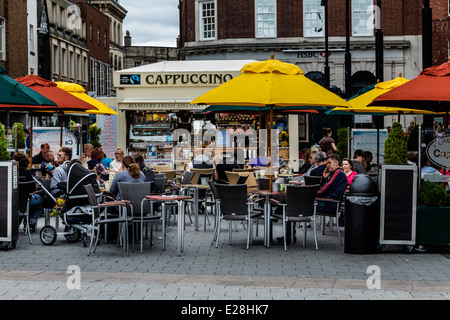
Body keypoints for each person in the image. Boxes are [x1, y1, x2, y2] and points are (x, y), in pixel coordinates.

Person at [14, 152, 42, 232]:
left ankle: (28, 223)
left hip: (13, 201)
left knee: (30, 201)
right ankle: (31, 222)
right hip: (25, 201)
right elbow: (32, 189)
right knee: (39, 200)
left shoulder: (12, 171)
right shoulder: (27, 172)